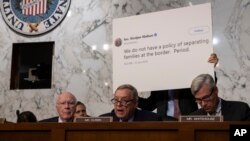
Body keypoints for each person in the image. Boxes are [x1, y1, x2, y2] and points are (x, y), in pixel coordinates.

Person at [138, 53, 219, 120]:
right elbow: (149, 105)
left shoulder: (188, 79)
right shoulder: (160, 85)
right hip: (165, 123)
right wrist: (131, 96)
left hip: (188, 122)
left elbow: (205, 86)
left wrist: (210, 68)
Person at [100, 84, 167, 121]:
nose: (118, 104)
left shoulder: (152, 120)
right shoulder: (104, 120)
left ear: (135, 103)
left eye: (124, 101)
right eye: (116, 100)